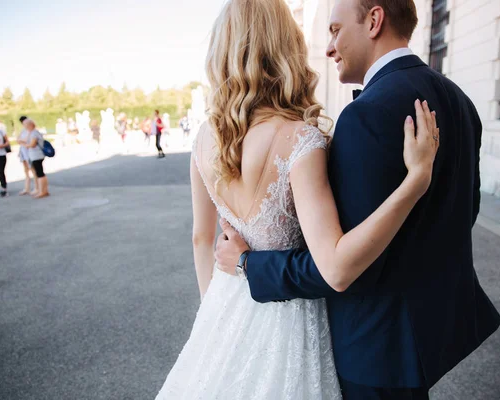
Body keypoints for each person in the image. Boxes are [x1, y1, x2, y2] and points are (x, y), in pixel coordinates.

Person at [215, 1, 500, 399]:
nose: (330, 47)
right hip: (431, 330)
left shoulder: (366, 115)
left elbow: (340, 264)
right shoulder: (459, 101)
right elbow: (463, 212)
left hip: (377, 345)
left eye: (334, 30)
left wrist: (249, 264)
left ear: (373, 20)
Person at [154, 1, 439, 399]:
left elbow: (202, 239)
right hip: (292, 321)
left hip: (224, 305)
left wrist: (213, 318)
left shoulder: (205, 137)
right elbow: (335, 263)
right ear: (286, 48)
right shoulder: (301, 139)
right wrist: (416, 180)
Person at [23, 119, 50, 199]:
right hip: (35, 156)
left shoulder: (34, 133)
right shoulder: (32, 133)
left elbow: (32, 144)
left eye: (25, 125)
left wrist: (25, 145)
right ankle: (43, 190)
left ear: (29, 125)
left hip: (37, 155)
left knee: (40, 173)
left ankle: (42, 191)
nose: (25, 127)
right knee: (40, 173)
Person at [17, 115, 39, 196]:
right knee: (26, 170)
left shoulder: (31, 131)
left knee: (33, 170)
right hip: (23, 152)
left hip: (29, 153)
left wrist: (22, 141)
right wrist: (22, 141)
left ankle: (37, 187)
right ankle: (27, 188)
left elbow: (26, 141)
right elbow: (18, 140)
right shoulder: (23, 131)